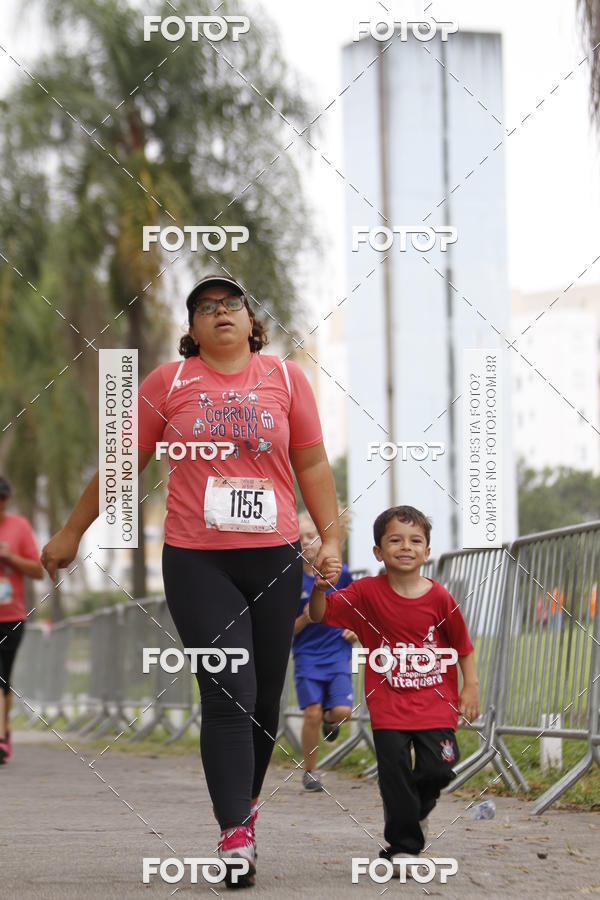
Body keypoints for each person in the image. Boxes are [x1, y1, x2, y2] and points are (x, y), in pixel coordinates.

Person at [40, 275, 342, 888]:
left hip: (276, 557)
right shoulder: (168, 385)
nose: (220, 312)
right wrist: (71, 533)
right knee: (228, 687)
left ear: (252, 322)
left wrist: (330, 538)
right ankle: (235, 835)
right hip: (197, 560)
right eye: (205, 307)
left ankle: (245, 814)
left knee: (262, 702)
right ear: (192, 329)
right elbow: (123, 464)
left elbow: (310, 460)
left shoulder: (286, 380)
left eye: (231, 304)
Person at [309, 505, 479, 869]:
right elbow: (321, 615)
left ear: (427, 551)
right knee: (395, 774)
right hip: (388, 704)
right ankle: (403, 845)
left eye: (416, 540)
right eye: (395, 540)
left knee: (440, 768)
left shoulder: (440, 598)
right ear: (378, 552)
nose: (406, 547)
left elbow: (463, 647)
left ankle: (412, 812)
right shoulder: (366, 592)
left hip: (436, 702)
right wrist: (320, 590)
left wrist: (470, 688)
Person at [292, 510, 357, 792]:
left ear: (324, 539)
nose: (306, 543)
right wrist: (306, 617)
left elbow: (358, 608)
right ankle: (311, 770)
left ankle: (332, 724)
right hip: (306, 655)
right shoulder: (290, 580)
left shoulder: (341, 574)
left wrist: (355, 628)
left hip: (338, 652)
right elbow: (286, 631)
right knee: (312, 713)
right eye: (300, 538)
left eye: (311, 536)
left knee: (343, 711)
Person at [0, 476, 44, 764]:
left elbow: (38, 571)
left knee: (5, 677)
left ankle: (4, 733)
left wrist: (10, 557)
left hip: (12, 616)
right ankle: (2, 736)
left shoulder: (19, 526)